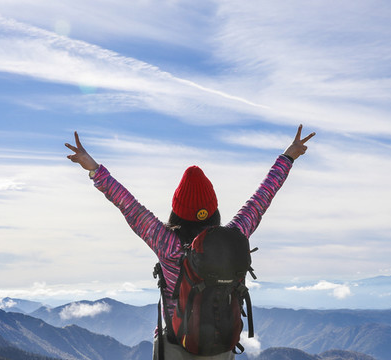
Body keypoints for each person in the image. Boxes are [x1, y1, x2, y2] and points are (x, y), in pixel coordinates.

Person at [65, 125, 315, 359]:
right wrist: (288, 157)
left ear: (176, 210)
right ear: (213, 209)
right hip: (221, 346)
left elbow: (127, 204)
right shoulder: (236, 234)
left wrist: (93, 168)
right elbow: (262, 197)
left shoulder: (166, 243)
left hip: (175, 347)